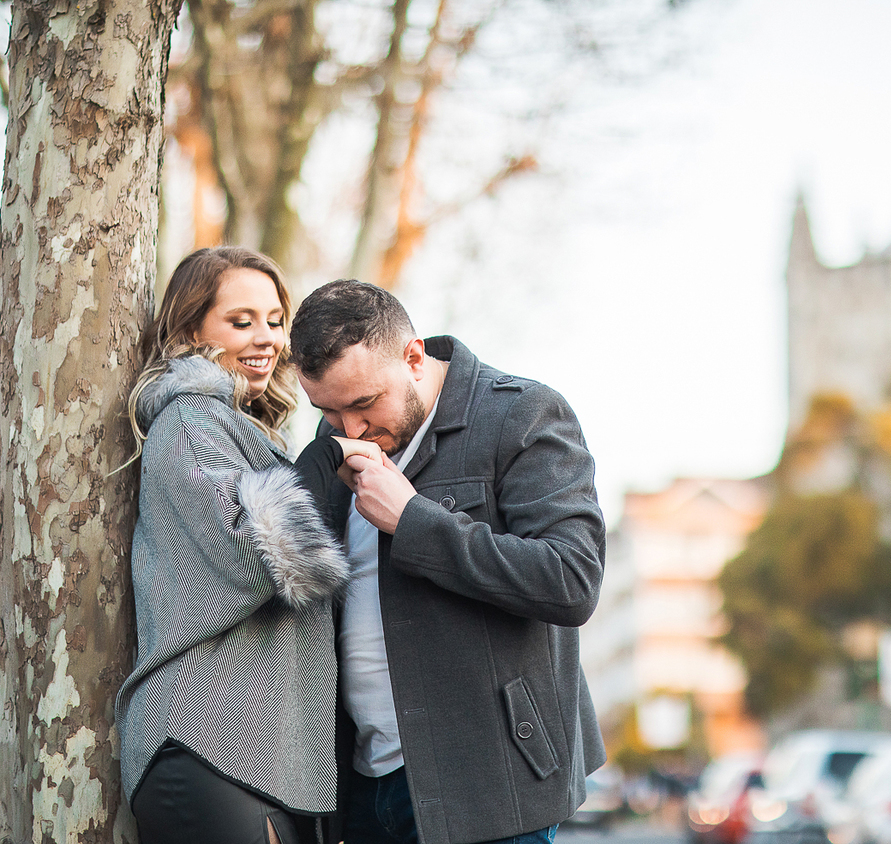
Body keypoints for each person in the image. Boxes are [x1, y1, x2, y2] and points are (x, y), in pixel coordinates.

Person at [289, 279, 607, 844]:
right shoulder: (334, 436)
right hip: (359, 787)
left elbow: (571, 580)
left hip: (487, 785)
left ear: (413, 357)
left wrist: (413, 520)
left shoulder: (523, 414)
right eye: (330, 411)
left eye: (364, 404)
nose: (350, 429)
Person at [114, 247, 379, 844]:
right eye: (242, 322)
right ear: (189, 330)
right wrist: (325, 459)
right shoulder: (191, 421)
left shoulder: (249, 432)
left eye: (274, 320)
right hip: (208, 740)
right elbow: (267, 552)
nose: (266, 338)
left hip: (260, 753)